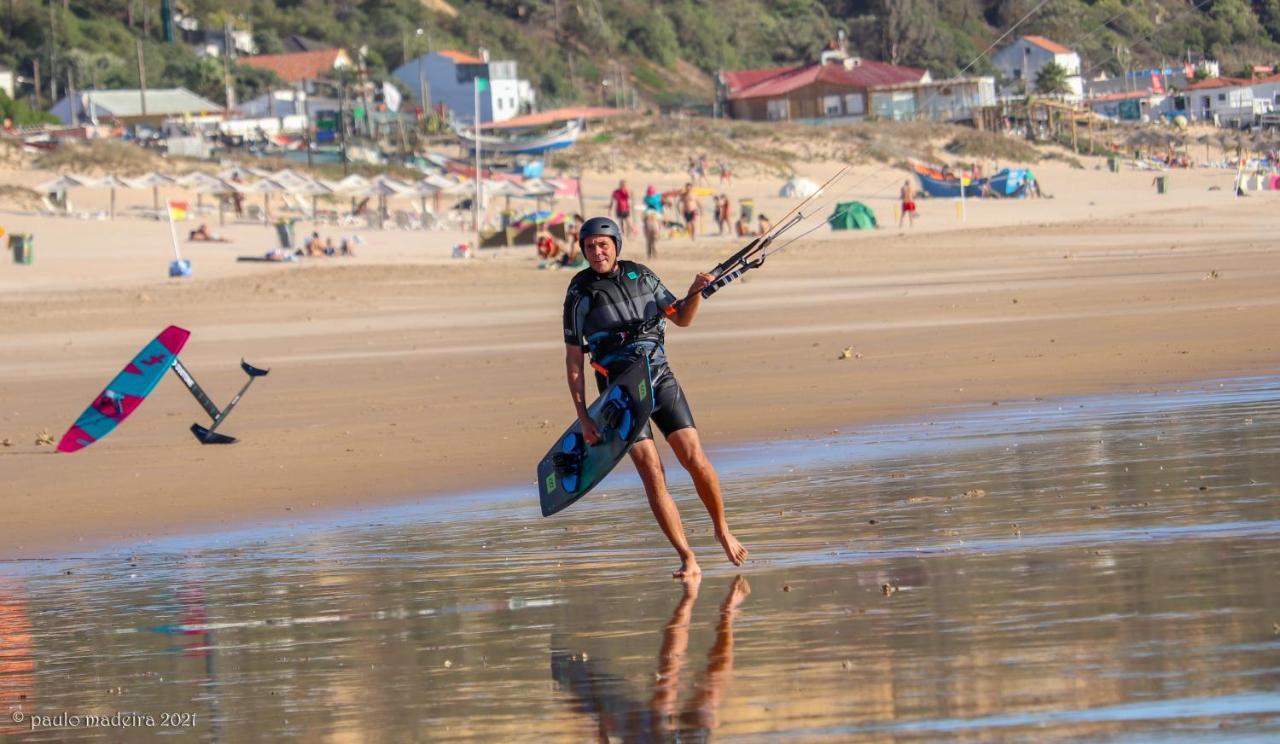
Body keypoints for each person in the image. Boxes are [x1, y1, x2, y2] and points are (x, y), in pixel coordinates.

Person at [562, 217, 748, 578]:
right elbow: (573, 359)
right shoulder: (579, 292)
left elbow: (682, 319)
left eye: (602, 245)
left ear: (615, 244)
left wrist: (696, 291)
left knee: (694, 458)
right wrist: (584, 416)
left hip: (660, 377)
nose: (596, 252)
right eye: (589, 247)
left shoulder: (641, 275)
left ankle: (722, 529)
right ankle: (686, 556)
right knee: (652, 472)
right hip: (619, 394)